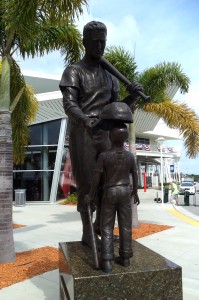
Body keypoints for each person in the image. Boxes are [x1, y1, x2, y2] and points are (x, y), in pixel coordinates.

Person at [59, 21, 143, 248]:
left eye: (102, 42)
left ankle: (100, 228)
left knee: (109, 184)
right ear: (85, 42)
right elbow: (69, 104)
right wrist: (86, 120)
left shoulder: (111, 78)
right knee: (87, 185)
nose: (99, 46)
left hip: (107, 135)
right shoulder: (74, 71)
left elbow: (119, 110)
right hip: (84, 134)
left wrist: (132, 97)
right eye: (95, 41)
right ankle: (88, 233)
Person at [85, 123, 140, 273]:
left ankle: (107, 261)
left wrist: (91, 195)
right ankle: (125, 258)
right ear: (125, 138)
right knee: (125, 226)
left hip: (110, 192)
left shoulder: (104, 155)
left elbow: (97, 177)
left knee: (106, 227)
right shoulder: (130, 156)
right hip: (124, 192)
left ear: (110, 137)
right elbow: (135, 175)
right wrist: (135, 191)